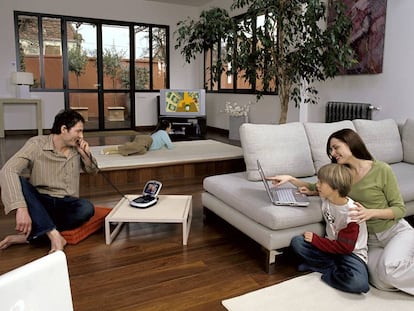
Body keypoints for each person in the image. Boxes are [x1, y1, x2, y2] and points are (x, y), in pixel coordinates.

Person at [270, 128, 414, 295]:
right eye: (330, 150)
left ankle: (403, 258)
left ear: (350, 142)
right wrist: (290, 179)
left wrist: (371, 213)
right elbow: (318, 187)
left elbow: (400, 208)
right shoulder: (342, 175)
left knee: (389, 271)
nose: (333, 153)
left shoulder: (381, 169)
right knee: (381, 283)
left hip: (394, 231)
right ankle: (402, 262)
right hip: (370, 243)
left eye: (336, 147)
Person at [0, 109, 99, 253]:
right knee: (20, 181)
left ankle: (32, 235)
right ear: (64, 129)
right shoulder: (37, 144)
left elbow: (93, 171)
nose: (81, 136)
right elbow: (7, 170)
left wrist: (86, 155)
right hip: (40, 203)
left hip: (65, 203)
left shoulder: (76, 148)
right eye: (78, 131)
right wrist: (21, 208)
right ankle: (53, 235)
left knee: (86, 208)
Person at [289, 163, 369, 294]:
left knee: (359, 284)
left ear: (335, 187)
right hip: (330, 249)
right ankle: (333, 267)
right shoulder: (327, 198)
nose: (317, 185)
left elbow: (345, 248)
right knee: (297, 242)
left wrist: (316, 240)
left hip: (351, 254)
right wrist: (311, 192)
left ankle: (325, 268)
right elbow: (322, 192)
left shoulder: (352, 213)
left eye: (321, 182)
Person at [101, 119, 173, 156]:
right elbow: (170, 146)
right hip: (147, 140)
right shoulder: (164, 133)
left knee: (139, 151)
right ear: (166, 128)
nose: (170, 129)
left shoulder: (159, 132)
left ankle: (113, 152)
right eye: (170, 128)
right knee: (135, 148)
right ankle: (111, 149)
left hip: (146, 144)